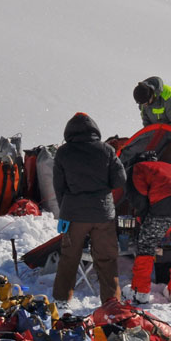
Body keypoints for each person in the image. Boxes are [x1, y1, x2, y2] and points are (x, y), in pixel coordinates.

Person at [52, 113, 127, 306]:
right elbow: (120, 180)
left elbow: (59, 187)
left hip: (74, 215)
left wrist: (65, 210)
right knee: (107, 259)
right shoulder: (107, 150)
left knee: (69, 258)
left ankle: (61, 300)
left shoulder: (63, 153)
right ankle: (111, 302)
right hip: (103, 214)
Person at [125, 153, 171, 303]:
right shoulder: (166, 166)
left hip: (164, 203)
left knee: (146, 246)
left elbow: (138, 199)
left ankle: (140, 293)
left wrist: (143, 222)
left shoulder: (138, 168)